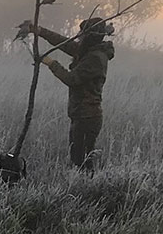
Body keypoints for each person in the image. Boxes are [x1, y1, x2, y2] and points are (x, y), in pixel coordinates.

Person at [18, 18, 116, 172]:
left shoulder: (95, 58)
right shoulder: (89, 51)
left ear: (90, 36)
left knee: (82, 161)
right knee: (78, 158)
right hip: (81, 115)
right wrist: (40, 31)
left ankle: (87, 189)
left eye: (82, 34)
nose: (78, 36)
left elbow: (72, 79)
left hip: (87, 117)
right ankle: (85, 185)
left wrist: (51, 63)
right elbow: (65, 43)